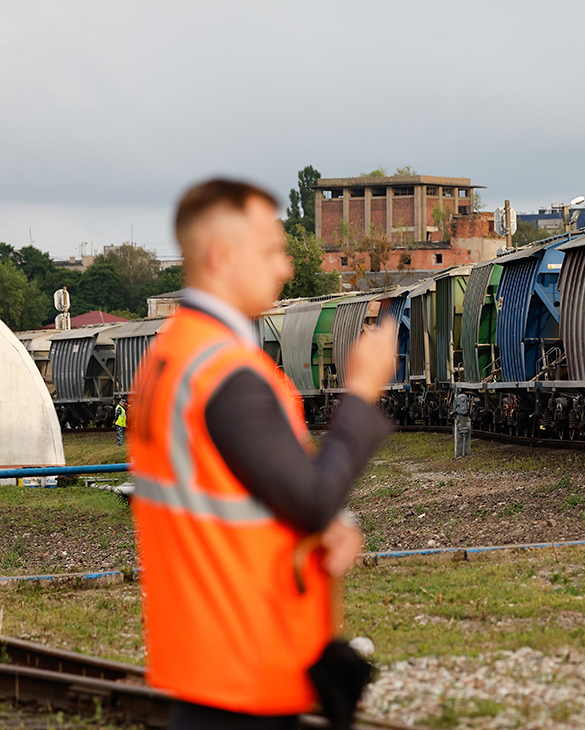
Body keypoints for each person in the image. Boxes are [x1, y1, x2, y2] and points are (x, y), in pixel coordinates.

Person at [128, 179, 397, 730]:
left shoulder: (172, 357)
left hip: (206, 658)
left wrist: (313, 528)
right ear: (223, 256)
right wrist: (363, 397)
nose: (285, 269)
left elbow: (227, 490)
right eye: (272, 251)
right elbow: (313, 499)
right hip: (244, 666)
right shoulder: (225, 372)